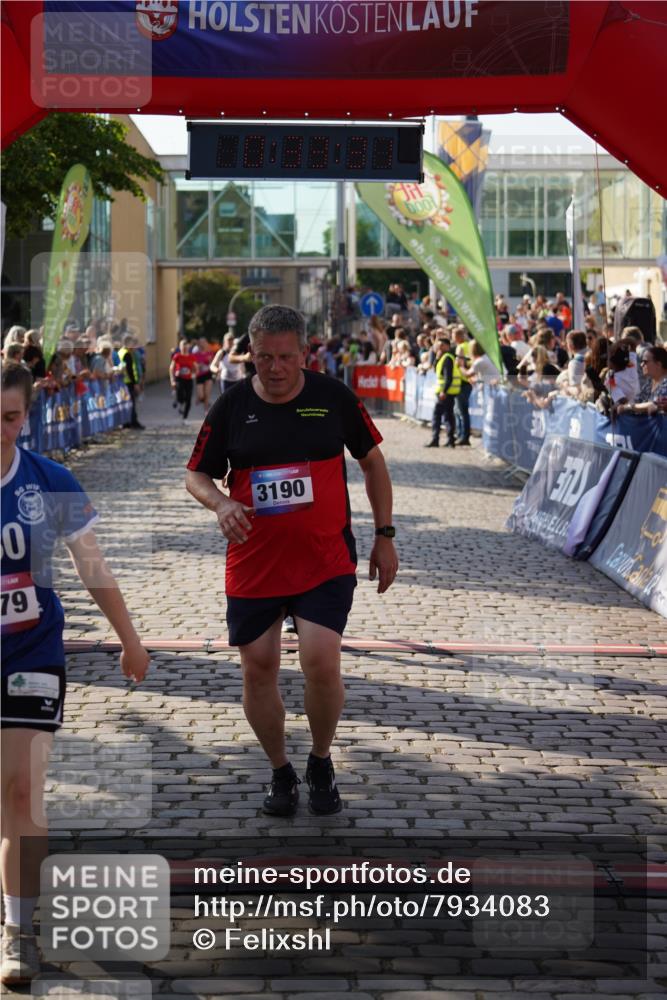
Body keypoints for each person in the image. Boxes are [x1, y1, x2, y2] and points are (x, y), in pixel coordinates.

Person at [185, 305, 398, 817]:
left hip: (323, 559)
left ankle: (321, 760)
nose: (274, 368)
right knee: (258, 669)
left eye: (285, 357)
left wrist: (384, 534)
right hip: (255, 563)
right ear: (250, 355)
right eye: (263, 358)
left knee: (321, 661)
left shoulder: (333, 398)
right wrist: (222, 502)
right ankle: (280, 769)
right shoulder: (231, 406)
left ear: (304, 353)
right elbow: (195, 475)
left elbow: (373, 463)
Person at [0, 363, 149, 986]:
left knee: (22, 796)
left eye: (8, 418)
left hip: (31, 653)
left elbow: (91, 566)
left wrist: (130, 639)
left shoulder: (49, 480)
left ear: (26, 416)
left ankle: (16, 933)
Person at [425, 336, 461, 448]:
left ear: (447, 346)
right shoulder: (443, 357)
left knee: (437, 416)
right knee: (448, 416)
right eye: (437, 345)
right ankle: (450, 440)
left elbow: (448, 377)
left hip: (445, 392)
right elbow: (436, 369)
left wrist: (443, 391)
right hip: (448, 392)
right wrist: (436, 358)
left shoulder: (447, 358)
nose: (439, 347)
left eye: (441, 345)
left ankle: (435, 439)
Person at [118, 334, 144, 430]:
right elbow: (129, 370)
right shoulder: (127, 354)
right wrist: (135, 383)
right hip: (128, 382)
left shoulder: (121, 352)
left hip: (122, 382)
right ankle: (133, 421)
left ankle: (126, 422)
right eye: (132, 343)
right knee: (131, 403)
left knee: (126, 403)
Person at [170, 339, 197, 420]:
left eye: (186, 346)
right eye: (182, 346)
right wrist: (172, 380)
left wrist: (194, 374)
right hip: (179, 378)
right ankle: (179, 401)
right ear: (180, 347)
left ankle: (185, 417)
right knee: (180, 394)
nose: (184, 348)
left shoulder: (192, 357)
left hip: (189, 379)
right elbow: (171, 368)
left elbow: (196, 368)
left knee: (188, 399)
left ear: (188, 347)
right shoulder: (177, 356)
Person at [193, 336, 215, 412]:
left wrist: (210, 362)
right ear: (199, 344)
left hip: (208, 374)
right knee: (201, 395)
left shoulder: (210, 353)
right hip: (199, 375)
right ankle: (199, 398)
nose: (202, 344)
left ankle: (206, 411)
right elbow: (193, 366)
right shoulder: (195, 354)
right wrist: (199, 365)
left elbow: (213, 364)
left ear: (206, 343)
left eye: (204, 342)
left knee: (207, 394)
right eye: (201, 342)